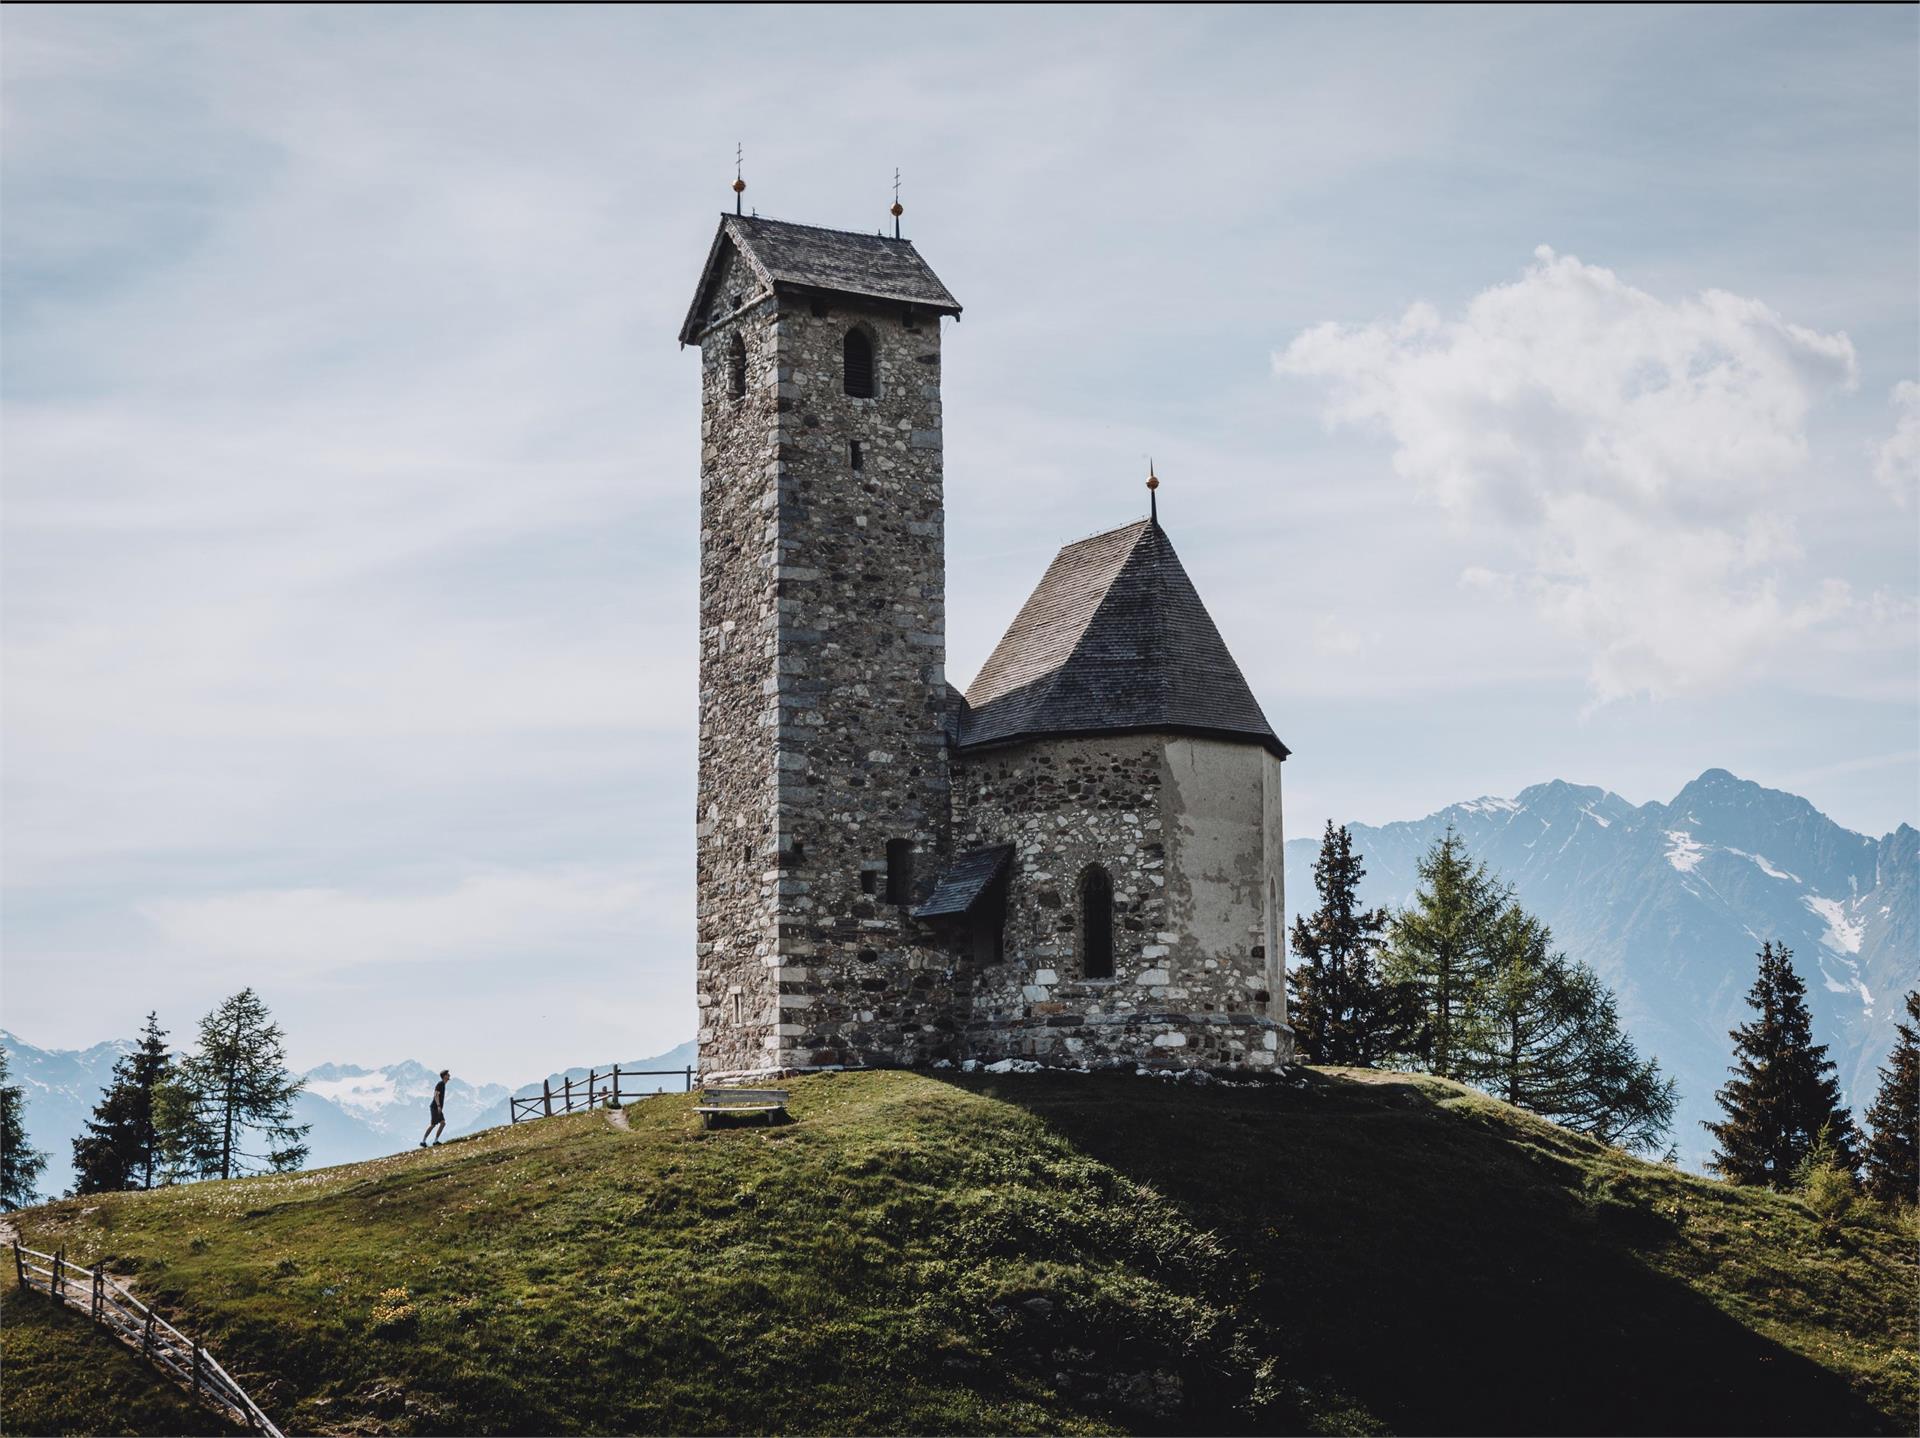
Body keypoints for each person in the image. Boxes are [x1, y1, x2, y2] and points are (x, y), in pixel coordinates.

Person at [420, 1069, 449, 1147]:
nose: (449, 1075)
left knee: (442, 1123)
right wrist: (439, 1106)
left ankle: (435, 1141)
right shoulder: (440, 1084)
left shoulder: (443, 1084)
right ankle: (423, 1141)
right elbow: (436, 1095)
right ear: (444, 1076)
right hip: (435, 1107)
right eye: (447, 1074)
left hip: (437, 1107)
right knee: (433, 1125)